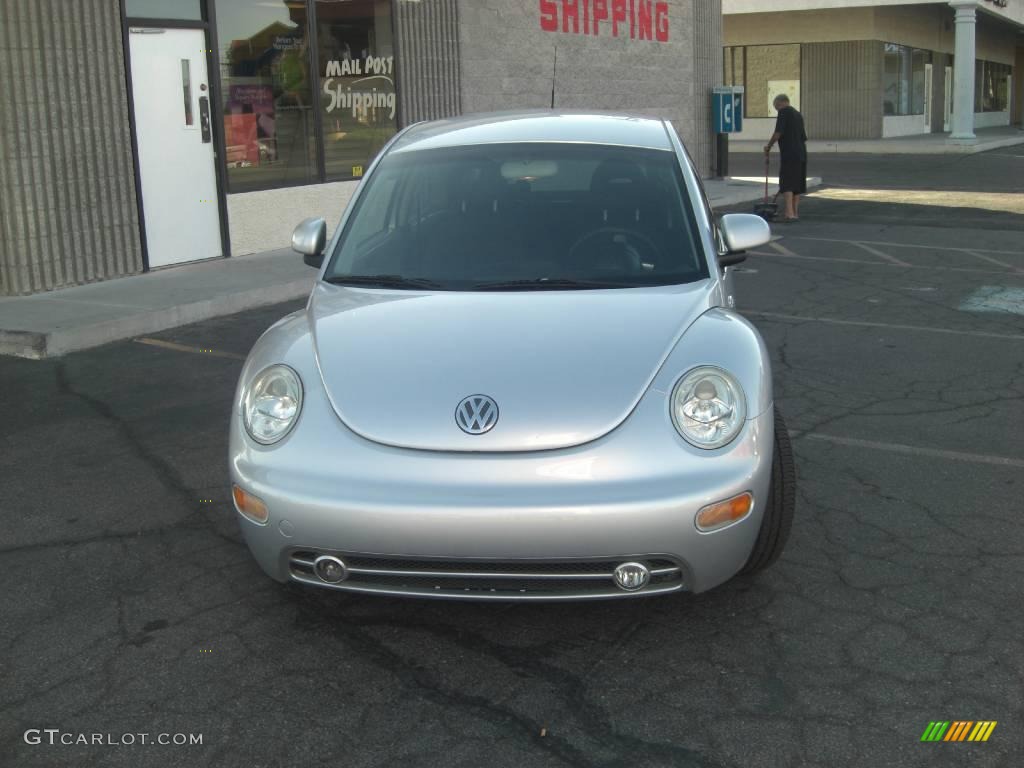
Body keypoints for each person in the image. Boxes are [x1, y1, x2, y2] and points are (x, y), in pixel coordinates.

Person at [764, 95, 807, 223]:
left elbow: (778, 133)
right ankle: (795, 212)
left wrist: (768, 146)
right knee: (797, 182)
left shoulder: (784, 112)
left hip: (789, 153)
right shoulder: (798, 114)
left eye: (776, 107)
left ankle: (789, 213)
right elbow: (803, 137)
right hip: (801, 153)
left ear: (780, 103)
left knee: (787, 182)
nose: (777, 110)